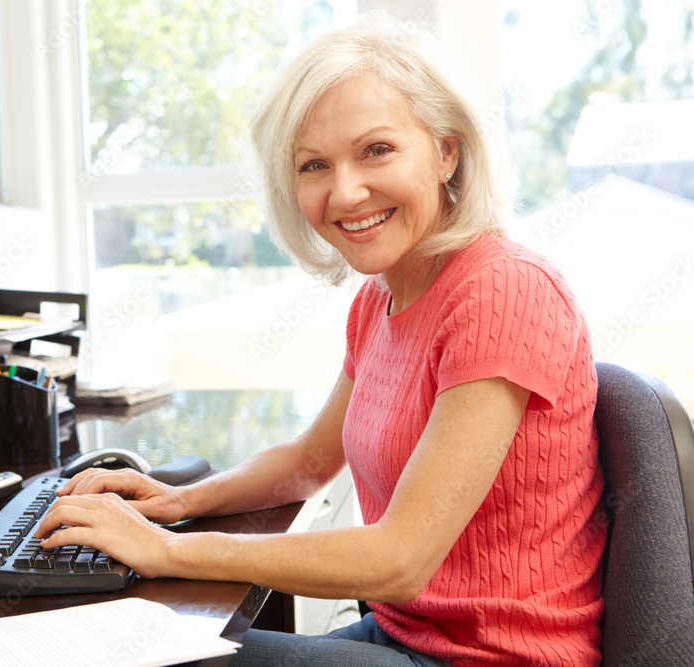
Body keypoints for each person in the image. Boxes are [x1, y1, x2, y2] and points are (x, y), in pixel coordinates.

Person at [37, 11, 606, 666]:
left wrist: (165, 549)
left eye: (376, 150)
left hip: (495, 658)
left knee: (137, 652)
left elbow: (400, 559)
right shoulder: (379, 300)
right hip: (407, 638)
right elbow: (310, 460)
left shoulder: (504, 290)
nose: (345, 191)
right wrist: (179, 501)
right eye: (314, 164)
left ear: (447, 150)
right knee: (148, 637)